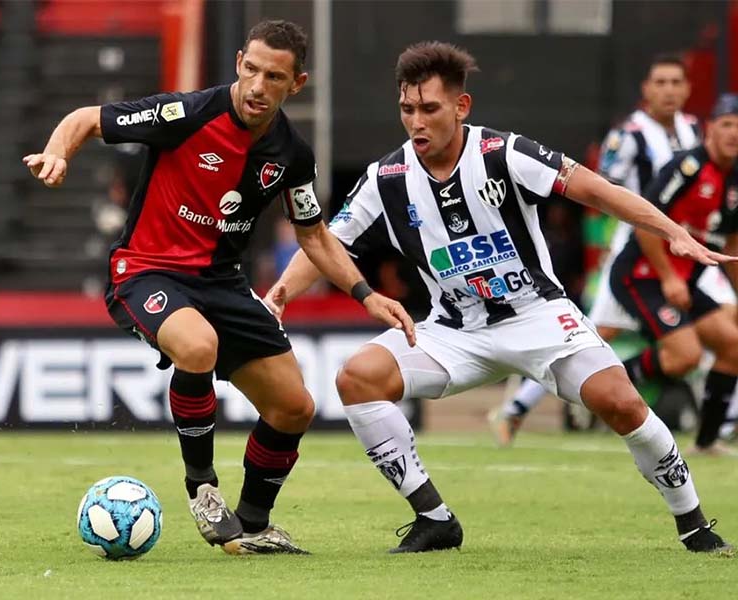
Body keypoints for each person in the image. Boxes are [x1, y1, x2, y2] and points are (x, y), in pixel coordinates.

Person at [265, 42, 734, 554]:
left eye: (430, 109)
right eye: (406, 110)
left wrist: (673, 232)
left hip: (538, 316)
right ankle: (434, 518)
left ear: (461, 107)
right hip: (454, 331)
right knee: (357, 378)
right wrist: (282, 292)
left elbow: (596, 190)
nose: (416, 122)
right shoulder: (386, 178)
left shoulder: (503, 153)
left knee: (621, 404)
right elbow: (325, 244)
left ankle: (694, 525)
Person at [23, 19, 414, 556]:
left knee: (294, 407)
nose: (257, 86)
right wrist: (57, 152)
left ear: (296, 84)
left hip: (222, 283)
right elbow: (86, 118)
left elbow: (315, 234)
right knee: (198, 345)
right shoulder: (186, 115)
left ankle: (252, 526)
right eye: (250, 70)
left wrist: (366, 294)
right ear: (237, 63)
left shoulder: (292, 155)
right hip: (146, 270)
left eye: (273, 76)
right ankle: (202, 486)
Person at [490, 54, 736, 446]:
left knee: (725, 328)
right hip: (636, 248)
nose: (669, 91)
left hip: (689, 253)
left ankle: (718, 423)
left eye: (676, 83)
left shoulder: (696, 130)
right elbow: (598, 192)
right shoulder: (628, 136)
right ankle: (519, 407)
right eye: (661, 83)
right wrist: (600, 249)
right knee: (586, 334)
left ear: (688, 89)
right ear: (646, 90)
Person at [609, 93, 738, 456]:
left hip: (683, 281)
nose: (734, 134)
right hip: (643, 274)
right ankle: (603, 382)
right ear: (711, 129)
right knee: (685, 356)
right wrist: (669, 277)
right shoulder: (688, 167)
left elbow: (730, 239)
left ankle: (707, 442)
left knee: (733, 346)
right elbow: (645, 225)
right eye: (727, 125)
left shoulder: (735, 179)